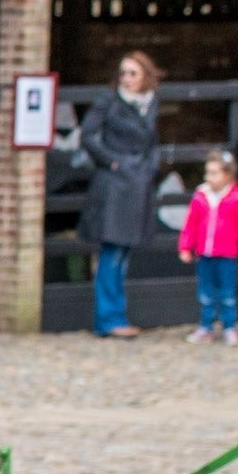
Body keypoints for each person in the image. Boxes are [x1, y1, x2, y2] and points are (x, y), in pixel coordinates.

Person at [77, 53, 165, 339]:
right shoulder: (109, 102)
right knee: (112, 252)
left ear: (145, 76)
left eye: (132, 73)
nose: (126, 79)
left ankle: (117, 314)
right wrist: (113, 162)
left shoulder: (150, 105)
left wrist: (152, 165)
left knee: (125, 252)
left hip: (139, 182)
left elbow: (152, 142)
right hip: (115, 185)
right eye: (123, 73)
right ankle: (109, 318)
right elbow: (89, 135)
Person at [177, 152, 238, 345]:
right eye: (208, 173)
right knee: (205, 293)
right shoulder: (200, 196)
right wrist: (185, 246)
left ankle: (229, 327)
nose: (209, 178)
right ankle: (206, 327)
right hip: (204, 253)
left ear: (228, 175)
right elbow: (190, 224)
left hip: (227, 254)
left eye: (214, 173)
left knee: (228, 293)